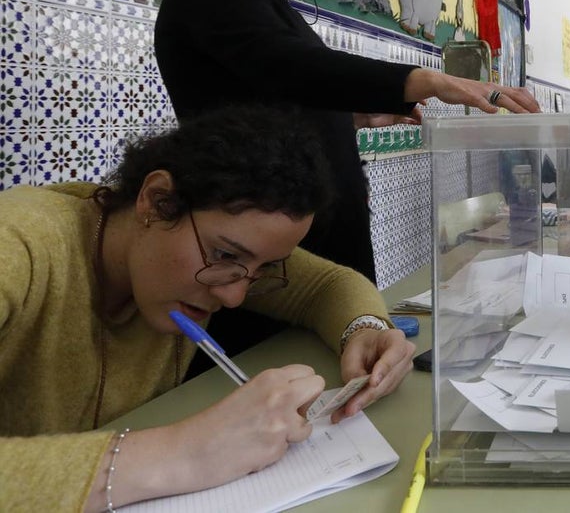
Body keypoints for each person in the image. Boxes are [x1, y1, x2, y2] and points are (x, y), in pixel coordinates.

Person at [154, 0, 538, 369]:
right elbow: (291, 67)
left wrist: (353, 116)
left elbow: (275, 93)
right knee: (275, 378)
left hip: (315, 245)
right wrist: (425, 79)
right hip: (256, 243)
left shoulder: (272, 7)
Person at [0, 106, 417, 511]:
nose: (233, 297)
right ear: (156, 201)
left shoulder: (221, 259)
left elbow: (328, 284)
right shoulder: (19, 244)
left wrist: (364, 329)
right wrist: (186, 451)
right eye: (224, 255)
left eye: (263, 269)